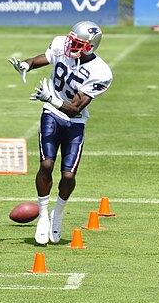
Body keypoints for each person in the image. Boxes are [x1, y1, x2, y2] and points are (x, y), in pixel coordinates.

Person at [8, 21, 113, 245]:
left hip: (74, 122)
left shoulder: (101, 72)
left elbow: (75, 107)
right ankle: (43, 216)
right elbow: (43, 58)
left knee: (68, 176)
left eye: (77, 43)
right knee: (46, 165)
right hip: (51, 115)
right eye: (71, 39)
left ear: (89, 47)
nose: (70, 44)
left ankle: (58, 213)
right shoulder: (61, 46)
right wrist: (27, 65)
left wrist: (51, 98)